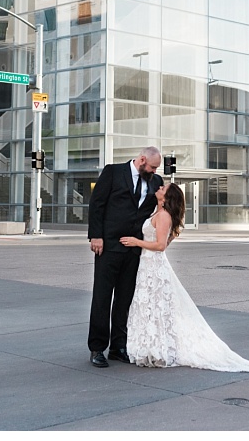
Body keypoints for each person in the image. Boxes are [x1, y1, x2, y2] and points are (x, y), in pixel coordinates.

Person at [119, 183, 249, 375]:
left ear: (167, 197)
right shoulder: (158, 212)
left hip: (154, 264)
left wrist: (136, 242)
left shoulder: (163, 215)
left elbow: (161, 245)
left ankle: (158, 350)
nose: (159, 188)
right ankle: (152, 347)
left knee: (157, 305)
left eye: (163, 189)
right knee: (152, 305)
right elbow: (165, 240)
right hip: (148, 264)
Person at [87, 146, 165, 368]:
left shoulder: (155, 179)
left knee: (124, 299)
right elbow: (97, 204)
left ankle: (118, 347)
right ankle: (97, 348)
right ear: (141, 160)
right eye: (151, 166)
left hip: (134, 249)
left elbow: (157, 208)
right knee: (102, 297)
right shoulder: (113, 172)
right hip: (109, 246)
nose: (154, 171)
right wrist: (96, 236)